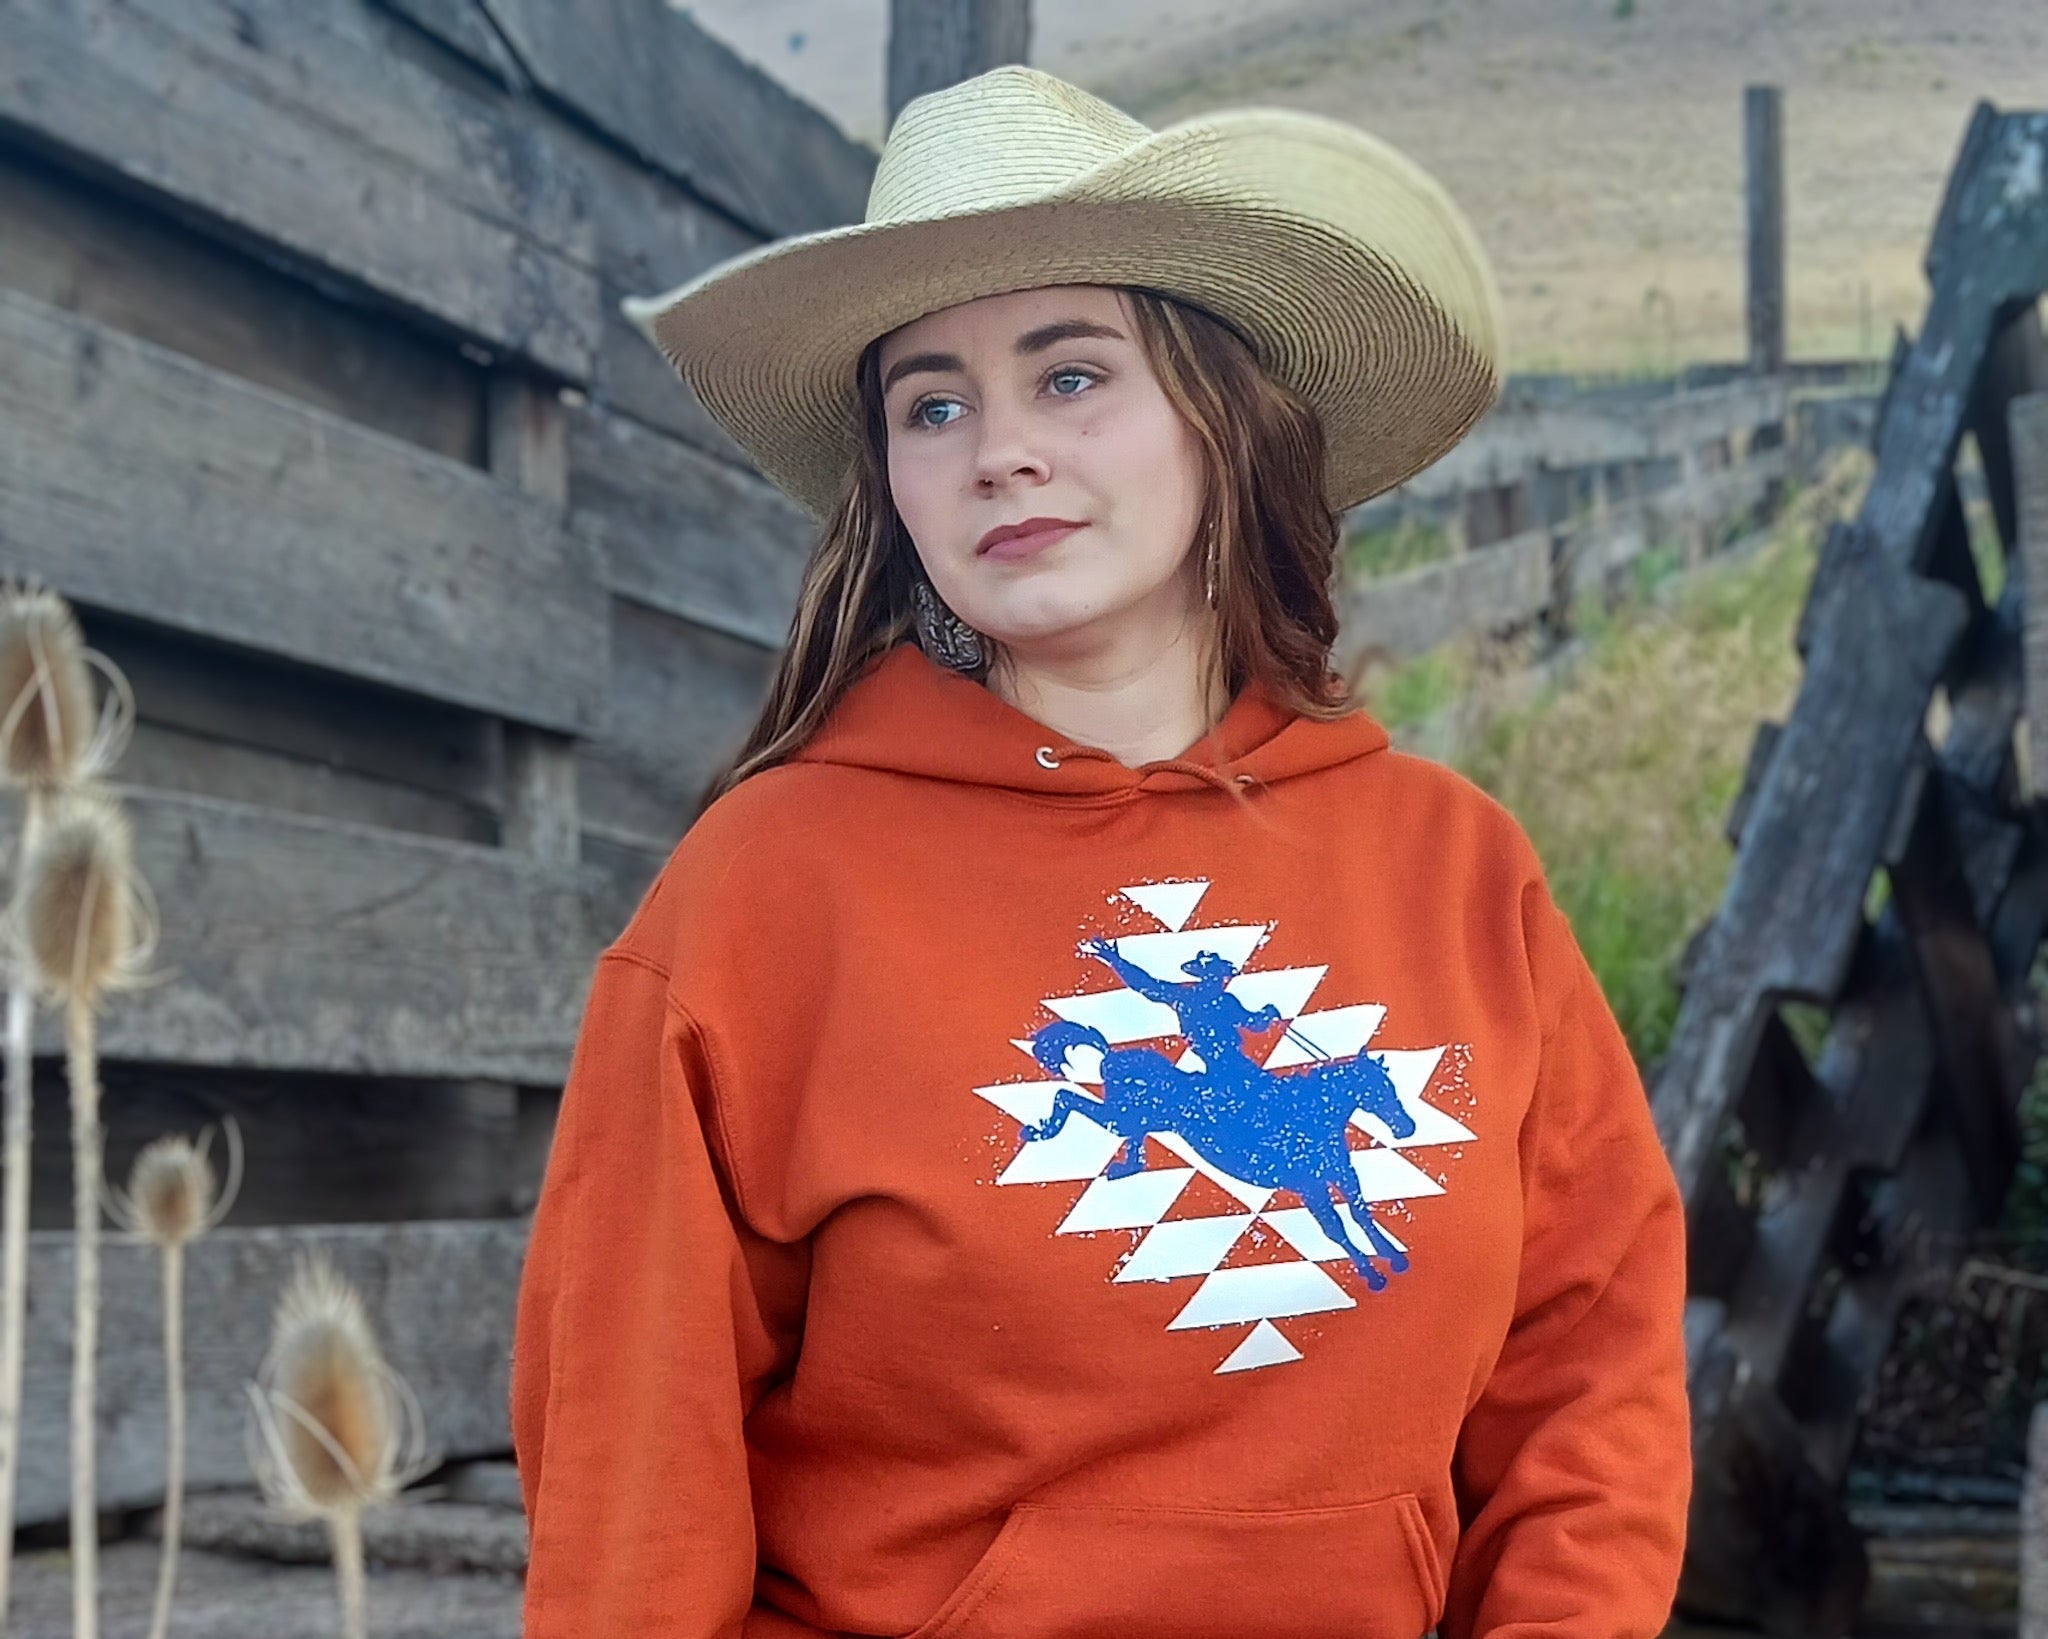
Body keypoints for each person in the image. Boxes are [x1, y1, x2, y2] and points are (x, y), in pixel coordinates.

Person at [510, 63, 1690, 1639]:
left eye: (1070, 376)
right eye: (933, 405)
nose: (998, 450)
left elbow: (1592, 1369)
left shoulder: (1458, 870)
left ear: (1225, 417)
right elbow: (628, 1466)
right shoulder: (761, 894)